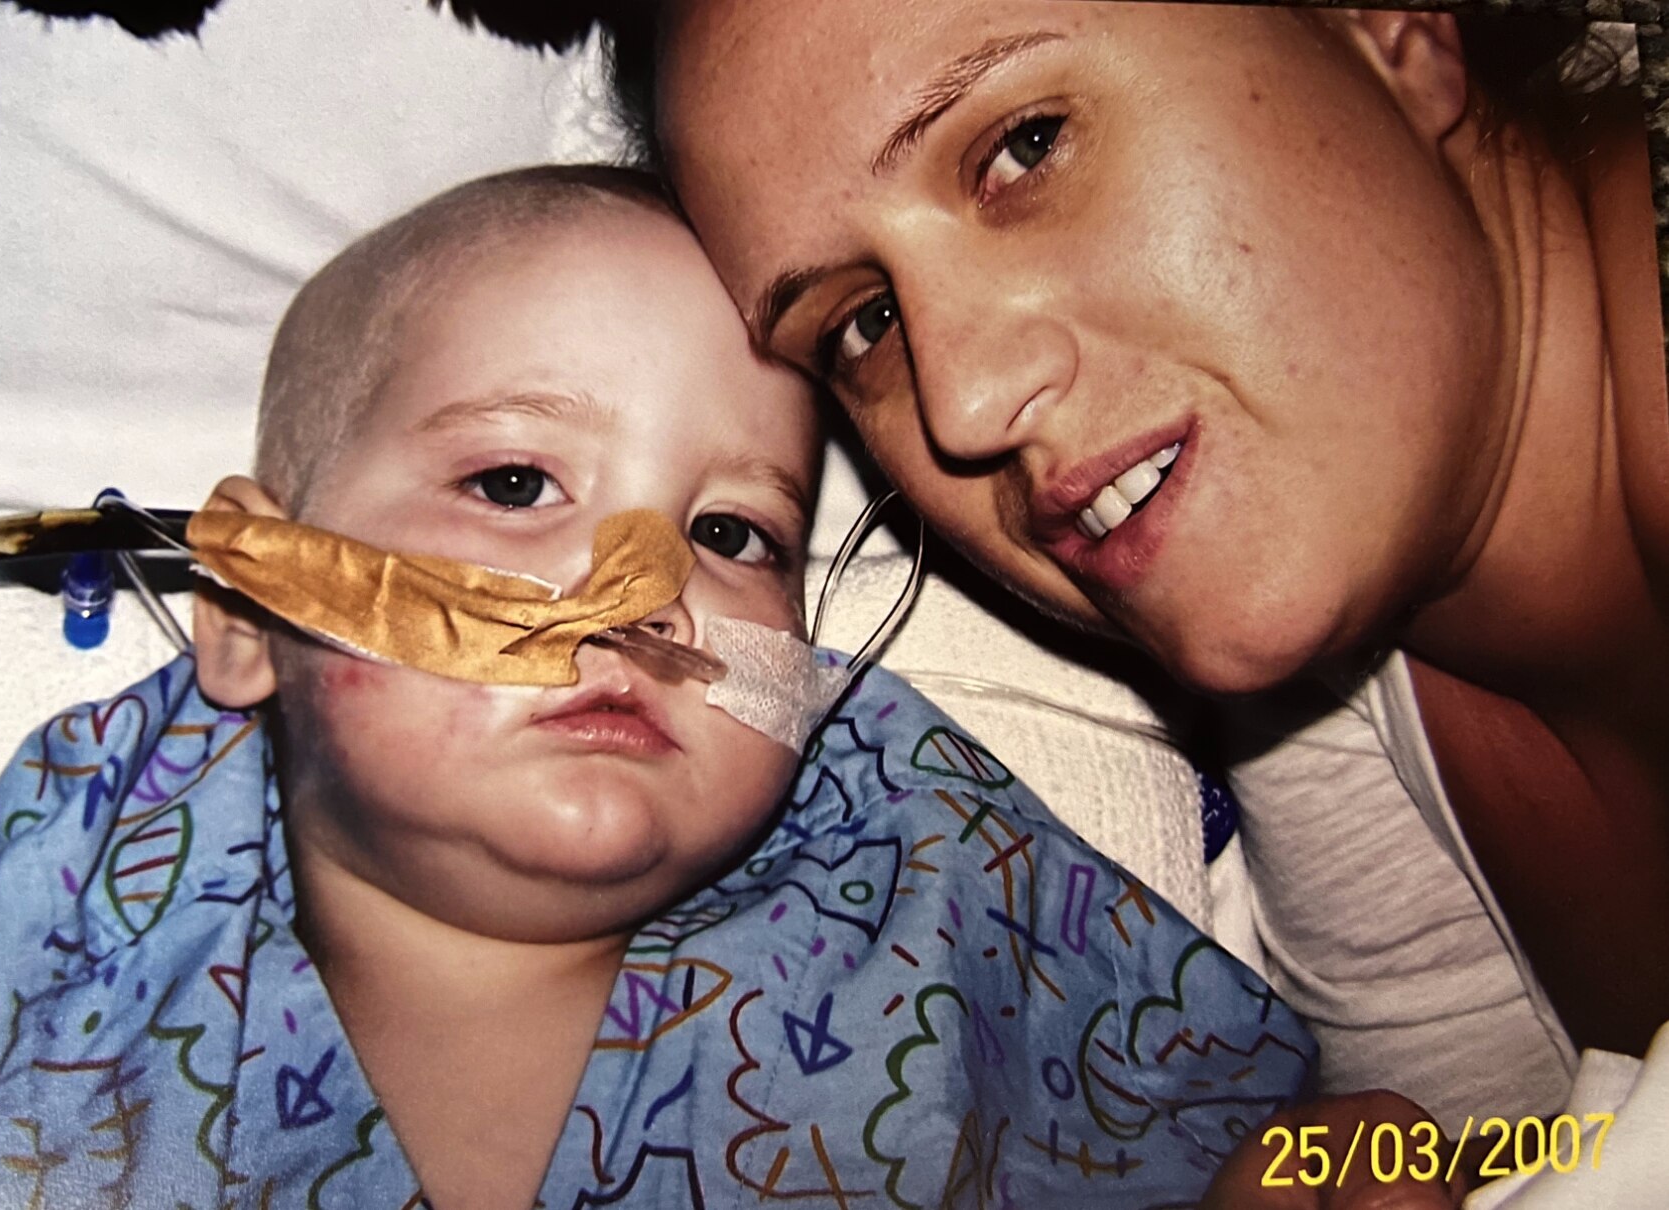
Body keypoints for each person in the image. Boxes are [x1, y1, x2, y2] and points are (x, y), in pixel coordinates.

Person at [0, 165, 1316, 1208]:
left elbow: (1302, 1136)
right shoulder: (86, 901)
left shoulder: (910, 851)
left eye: (737, 534)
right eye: (517, 479)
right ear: (253, 609)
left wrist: (1367, 1152)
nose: (648, 592)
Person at [453, 0, 1668, 1172]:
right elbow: (1552, 1140)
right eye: (865, 323)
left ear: (1389, 25)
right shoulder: (1340, 704)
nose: (965, 401)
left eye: (1025, 149)